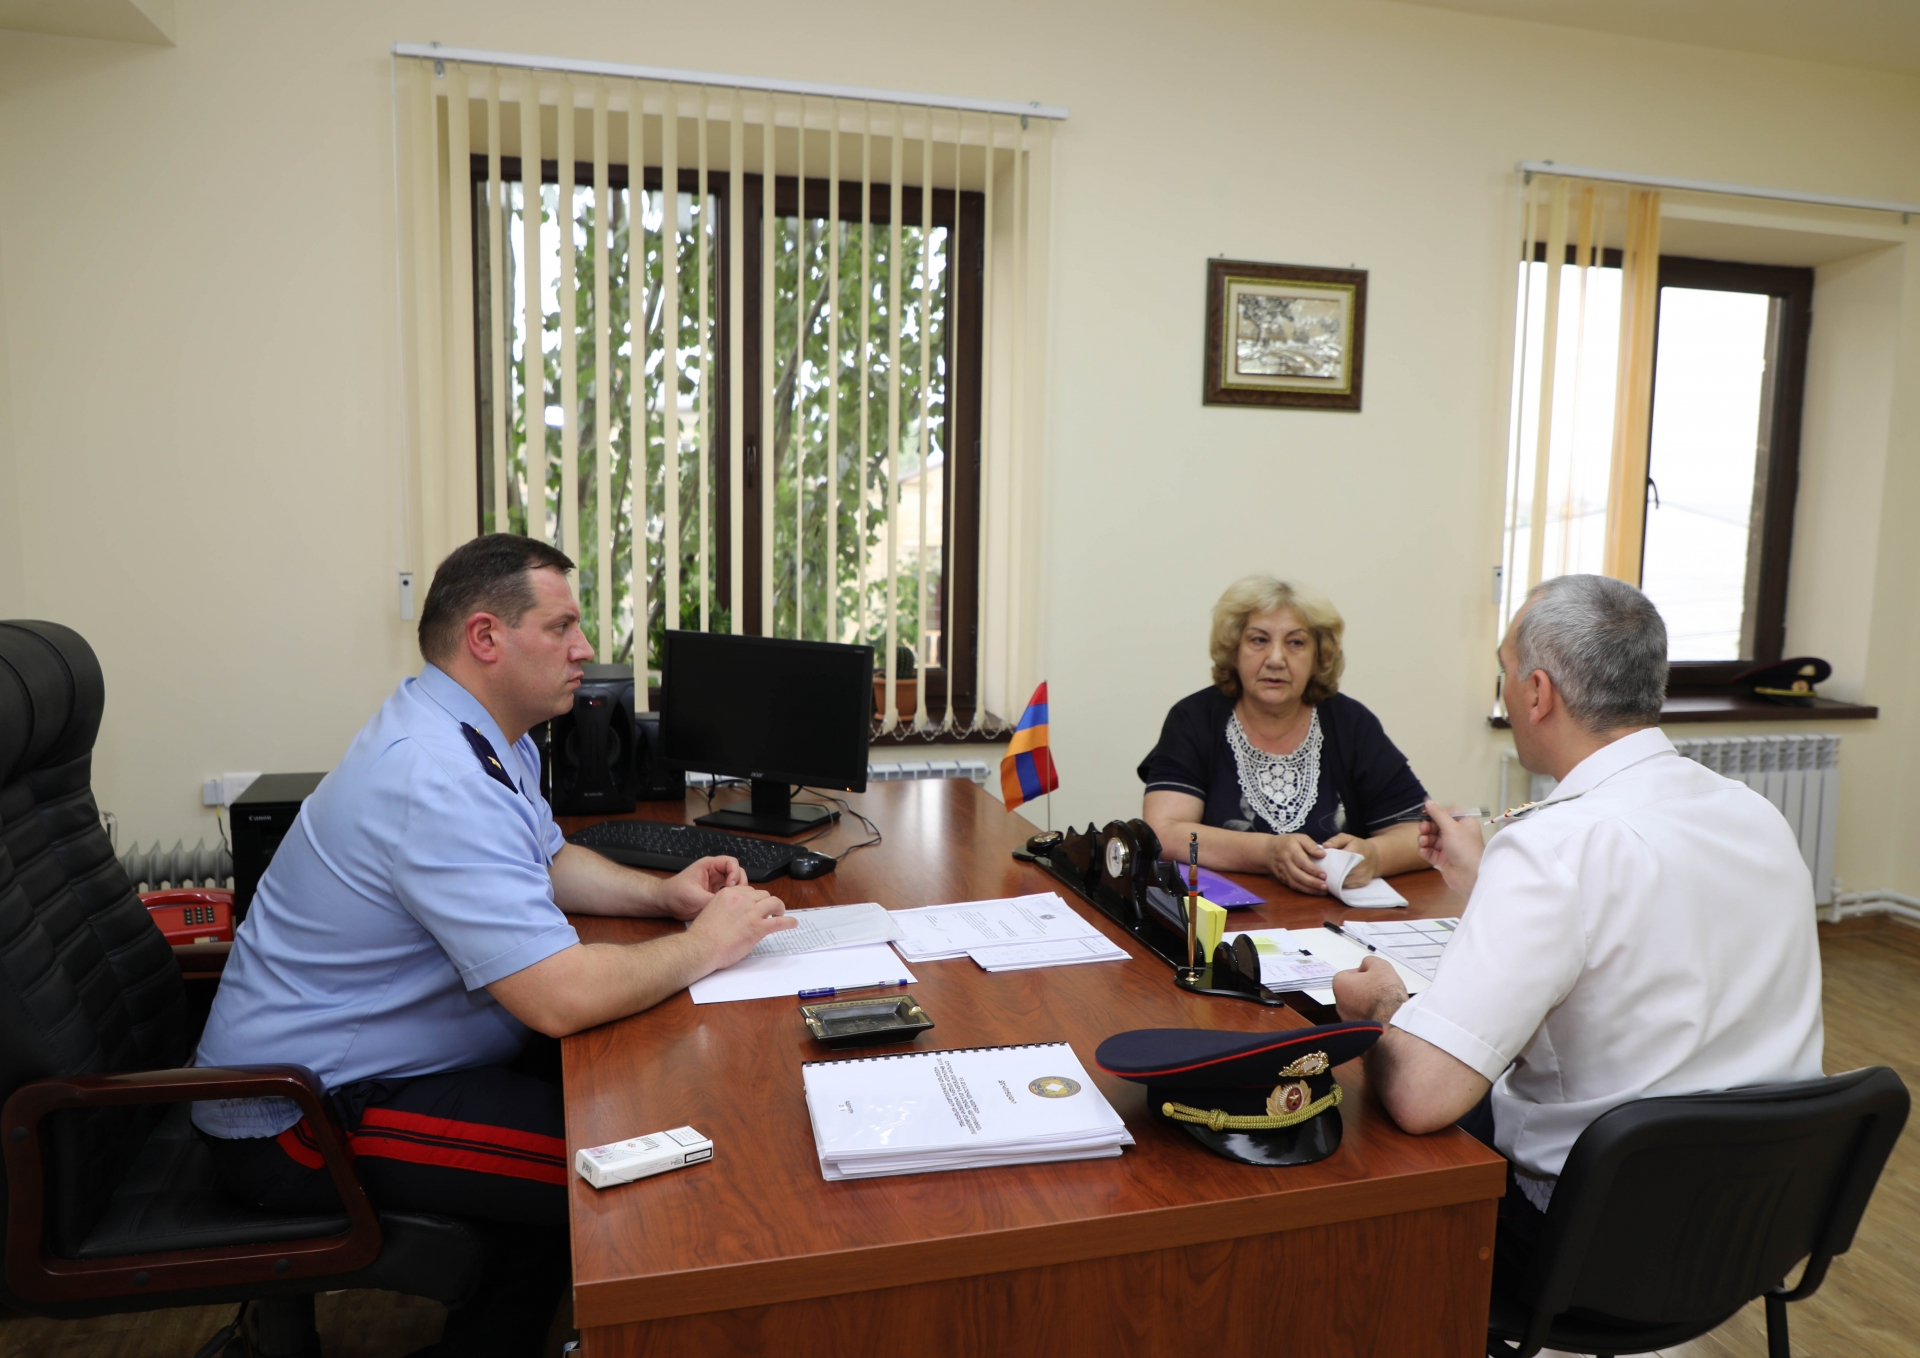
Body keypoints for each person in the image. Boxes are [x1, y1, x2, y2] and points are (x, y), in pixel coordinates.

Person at [192, 534, 795, 1358]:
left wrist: (664, 896)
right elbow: (560, 998)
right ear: (486, 637)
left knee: (627, 1103)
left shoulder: (477, 733)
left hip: (372, 1070)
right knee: (634, 1165)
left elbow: (548, 860)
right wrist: (705, 946)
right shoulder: (432, 774)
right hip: (299, 1118)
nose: (584, 649)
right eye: (562, 627)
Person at [1332, 573, 1823, 1273]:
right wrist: (1488, 882)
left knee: (1368, 1118)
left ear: (1537, 693)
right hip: (1757, 1225)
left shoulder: (1553, 846)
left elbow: (1421, 1097)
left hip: (1593, 1247)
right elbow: (1649, 926)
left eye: (1504, 673)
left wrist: (1380, 1007)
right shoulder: (1755, 814)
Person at [1139, 575, 1430, 894]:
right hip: (1224, 914)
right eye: (1259, 640)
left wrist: (1375, 856)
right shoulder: (1194, 719)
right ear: (1234, 650)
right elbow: (1163, 833)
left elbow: (1421, 833)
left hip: (1334, 914)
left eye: (1296, 643)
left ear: (1320, 656)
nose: (1276, 659)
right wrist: (1267, 853)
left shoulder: (1350, 723)